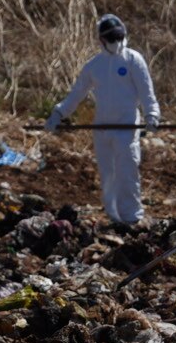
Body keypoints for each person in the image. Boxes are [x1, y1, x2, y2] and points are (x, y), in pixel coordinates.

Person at [44, 14, 160, 226]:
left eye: (119, 37)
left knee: (127, 173)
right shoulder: (94, 66)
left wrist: (152, 114)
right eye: (111, 39)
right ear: (101, 40)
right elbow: (77, 94)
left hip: (126, 128)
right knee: (108, 175)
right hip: (102, 130)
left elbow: (146, 92)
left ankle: (132, 218)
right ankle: (114, 218)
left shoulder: (133, 60)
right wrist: (59, 113)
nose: (116, 43)